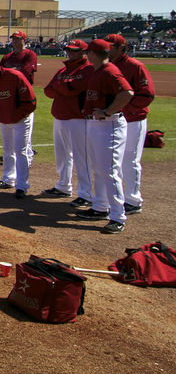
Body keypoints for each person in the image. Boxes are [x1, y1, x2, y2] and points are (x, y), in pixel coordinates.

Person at [75, 39, 134, 233]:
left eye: (88, 52)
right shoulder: (99, 70)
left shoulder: (110, 71)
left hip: (109, 125)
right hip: (96, 124)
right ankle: (100, 206)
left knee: (109, 171)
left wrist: (108, 111)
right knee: (99, 168)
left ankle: (118, 216)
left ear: (93, 53)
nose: (86, 55)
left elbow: (127, 93)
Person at [105, 34, 155, 215]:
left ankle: (133, 200)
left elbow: (147, 95)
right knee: (112, 161)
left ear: (121, 48)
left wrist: (126, 109)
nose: (108, 50)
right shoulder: (106, 66)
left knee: (130, 160)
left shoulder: (135, 66)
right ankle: (115, 199)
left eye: (112, 47)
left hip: (133, 120)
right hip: (113, 120)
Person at [42, 39, 95, 206]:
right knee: (62, 155)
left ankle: (85, 194)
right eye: (69, 50)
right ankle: (63, 186)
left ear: (84, 52)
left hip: (78, 118)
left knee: (82, 157)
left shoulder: (88, 69)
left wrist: (63, 87)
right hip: (60, 116)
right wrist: (65, 86)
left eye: (74, 50)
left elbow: (74, 87)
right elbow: (48, 91)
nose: (70, 53)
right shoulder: (62, 70)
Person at [0, 61, 37, 199]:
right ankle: (8, 179)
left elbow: (31, 101)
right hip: (5, 119)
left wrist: (17, 116)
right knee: (8, 151)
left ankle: (22, 186)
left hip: (21, 120)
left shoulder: (15, 76)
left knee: (21, 151)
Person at [0, 31, 39, 160]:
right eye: (13, 39)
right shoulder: (7, 57)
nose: (15, 41)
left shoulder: (29, 54)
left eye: (18, 39)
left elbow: (26, 72)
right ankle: (11, 153)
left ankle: (27, 154)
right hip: (9, 94)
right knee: (10, 123)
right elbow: (0, 73)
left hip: (23, 93)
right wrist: (13, 72)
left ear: (24, 40)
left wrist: (8, 72)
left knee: (24, 125)